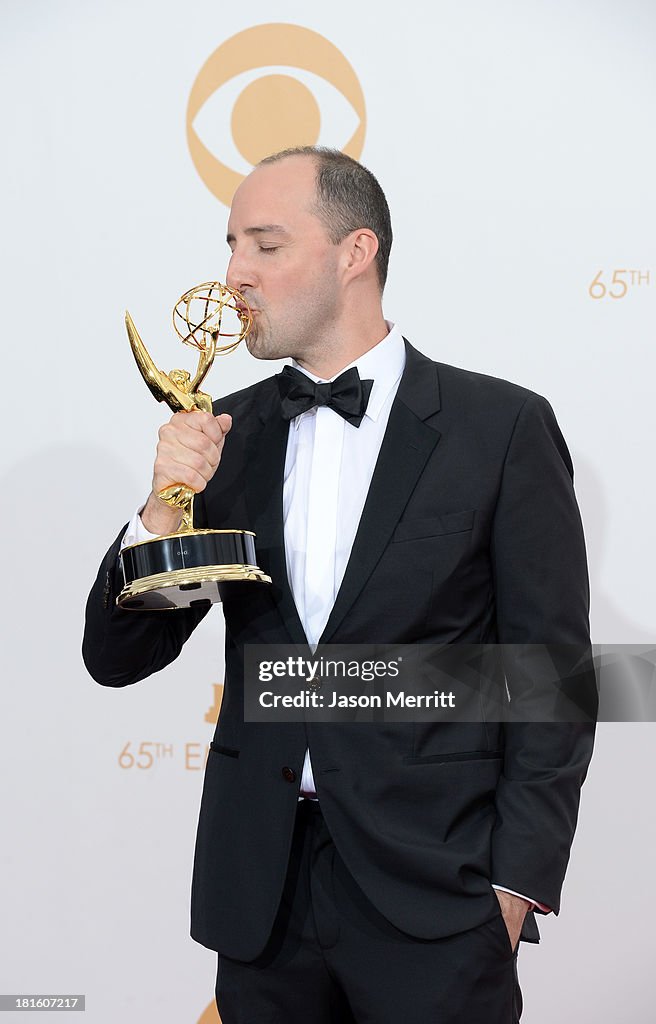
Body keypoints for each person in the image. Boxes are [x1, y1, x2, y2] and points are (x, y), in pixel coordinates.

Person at [83, 147, 596, 1024]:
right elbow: (115, 655)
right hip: (262, 897)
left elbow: (550, 676)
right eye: (232, 245)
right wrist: (163, 509)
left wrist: (514, 888)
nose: (236, 273)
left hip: (438, 896)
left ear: (355, 253)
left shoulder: (500, 427)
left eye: (267, 246)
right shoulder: (225, 434)